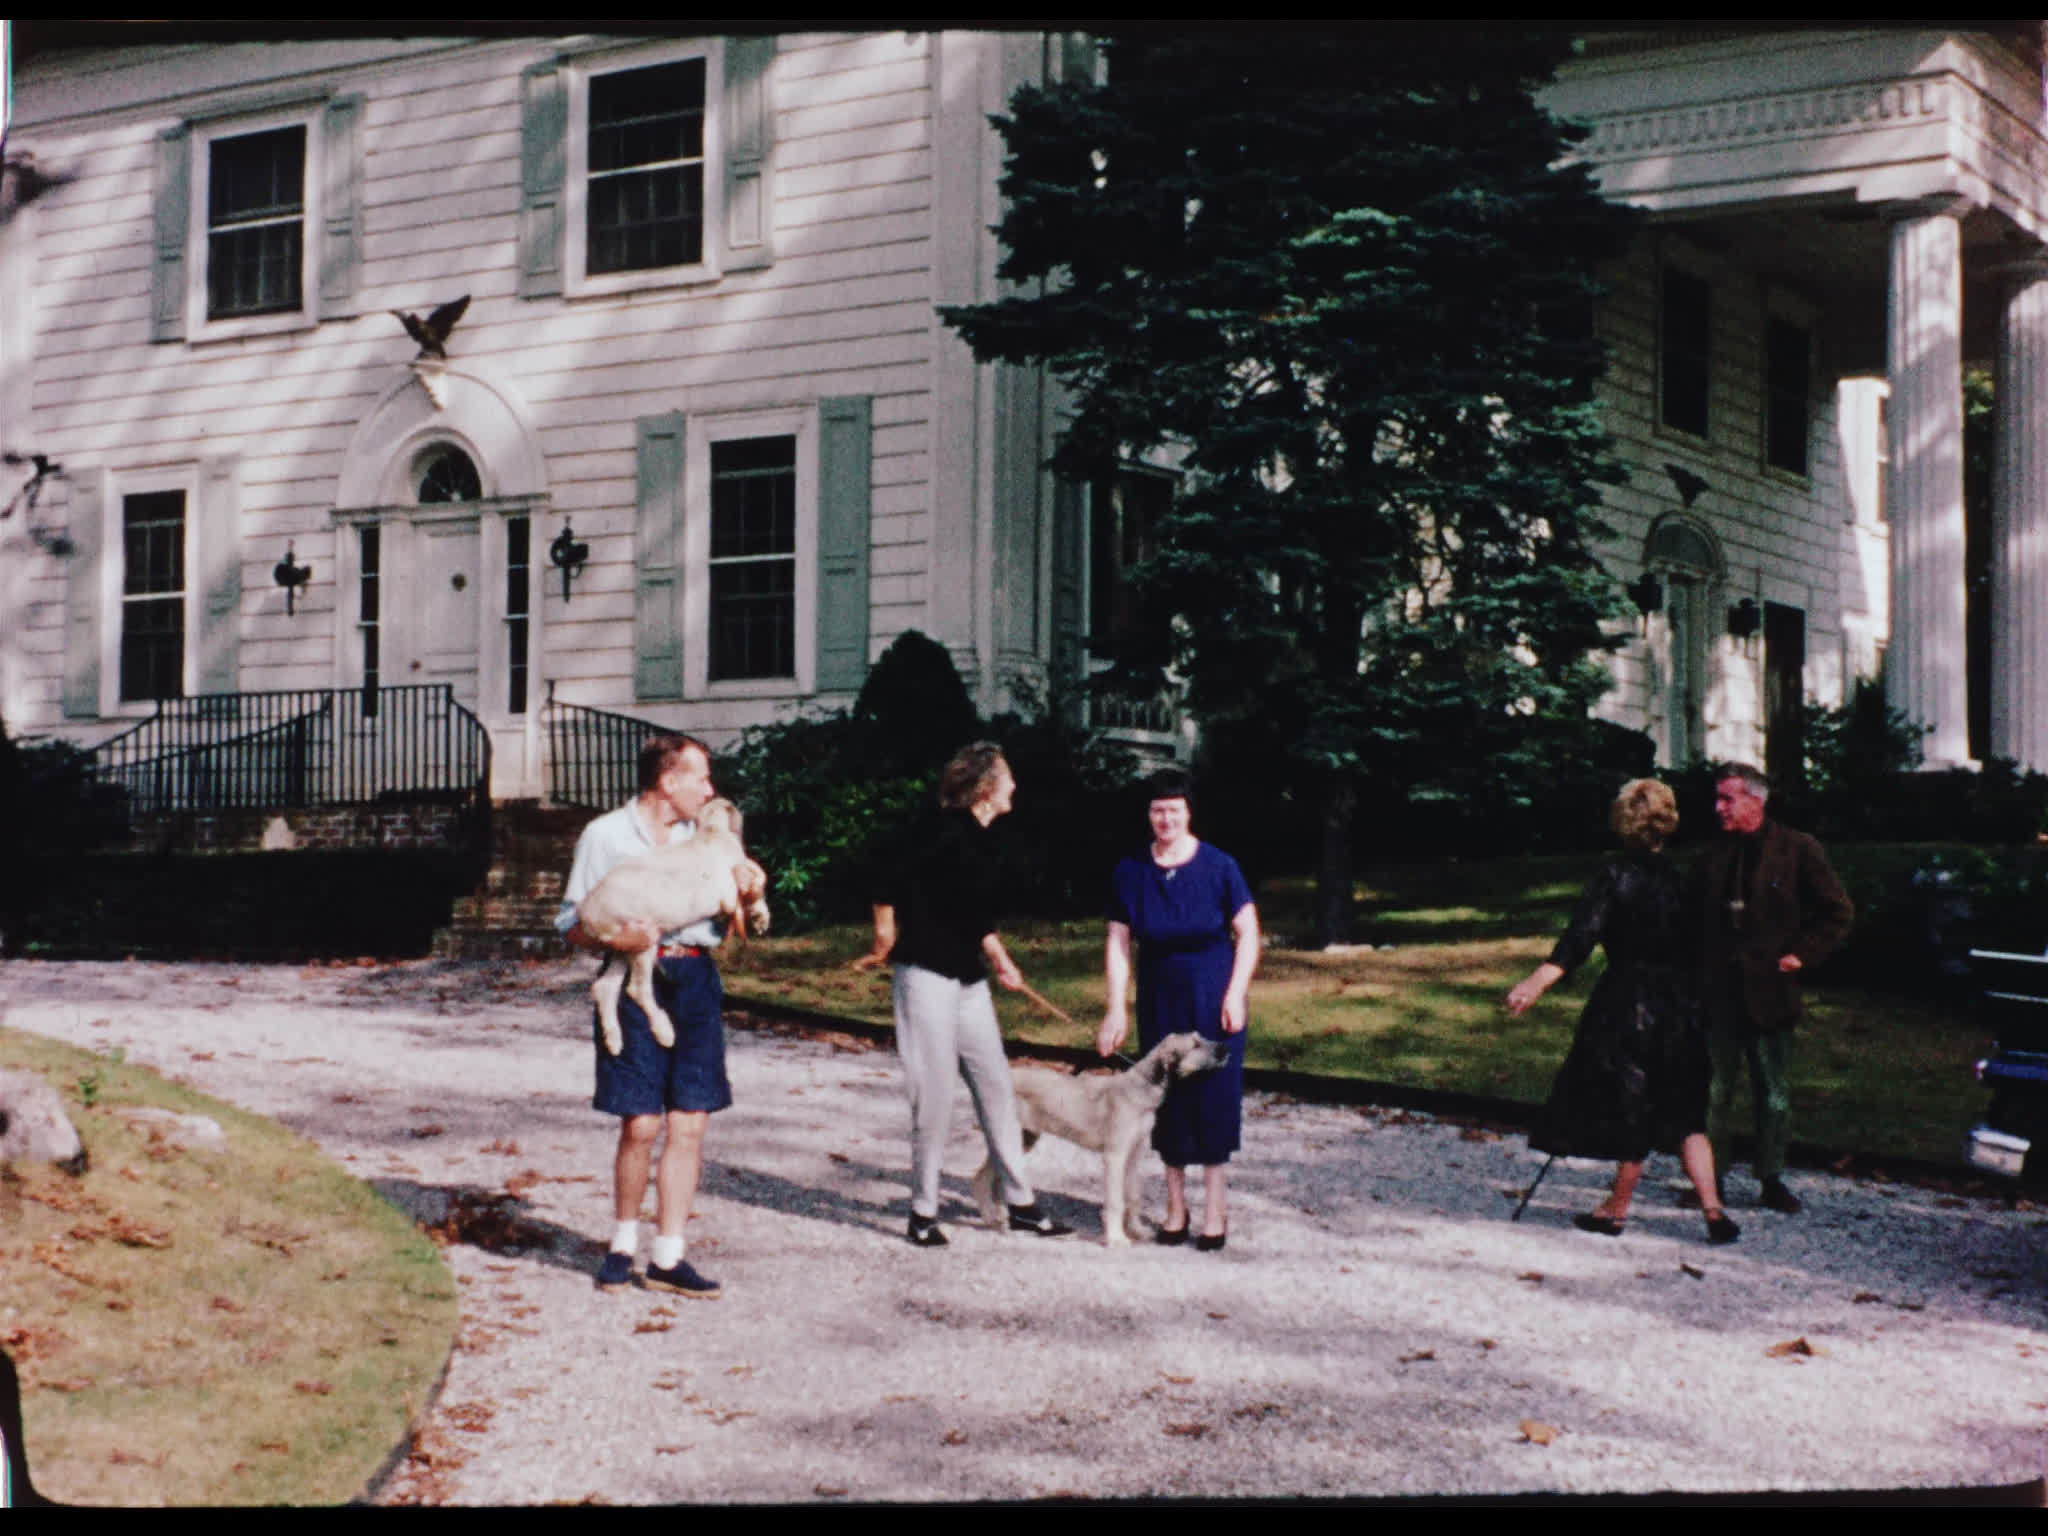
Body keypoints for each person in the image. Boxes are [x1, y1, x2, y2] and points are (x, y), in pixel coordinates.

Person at [558, 732, 756, 1298]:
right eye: (701, 779)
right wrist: (615, 939)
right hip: (633, 981)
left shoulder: (710, 837)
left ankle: (668, 1257)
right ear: (668, 782)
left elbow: (735, 908)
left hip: (695, 978)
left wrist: (749, 891)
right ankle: (622, 1246)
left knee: (690, 1121)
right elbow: (571, 924)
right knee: (641, 1123)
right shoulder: (605, 836)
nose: (710, 791)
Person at [1506, 777, 1738, 1243]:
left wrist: (1534, 984)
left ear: (1622, 822)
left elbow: (1578, 941)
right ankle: (1713, 1210)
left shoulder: (1613, 877)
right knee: (1687, 1112)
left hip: (1627, 1003)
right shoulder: (1683, 882)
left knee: (1635, 1106)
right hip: (1682, 1006)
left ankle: (1615, 1210)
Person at [867, 741, 1072, 1247]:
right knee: (933, 1097)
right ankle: (923, 1212)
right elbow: (883, 877)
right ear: (985, 787)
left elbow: (972, 913)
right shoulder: (935, 831)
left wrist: (1000, 960)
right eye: (1007, 778)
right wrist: (884, 934)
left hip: (967, 979)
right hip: (925, 975)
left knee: (996, 1085)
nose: (1014, 786)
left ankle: (1021, 1203)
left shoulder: (983, 839)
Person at [1096, 769, 1259, 1251]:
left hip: (1212, 990)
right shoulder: (1130, 870)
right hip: (1159, 994)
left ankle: (1215, 1209)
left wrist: (1235, 992)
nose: (1165, 819)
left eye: (1174, 810)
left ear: (1188, 813)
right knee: (1163, 1096)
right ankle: (1174, 1206)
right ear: (1148, 815)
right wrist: (1116, 1009)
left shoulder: (1219, 866)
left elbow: (1249, 932)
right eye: (1157, 810)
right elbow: (1118, 942)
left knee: (1213, 1096)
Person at [1691, 761, 1853, 1215]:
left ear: (1755, 800)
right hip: (1717, 994)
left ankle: (1771, 1177)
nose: (1718, 808)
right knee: (1712, 1092)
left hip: (1770, 992)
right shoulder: (1710, 857)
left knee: (1773, 1093)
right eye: (1718, 798)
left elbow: (1837, 912)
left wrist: (1803, 954)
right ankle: (1710, 1179)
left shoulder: (1798, 849)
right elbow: (1690, 922)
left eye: (1727, 799)